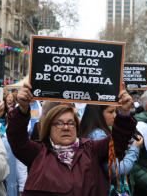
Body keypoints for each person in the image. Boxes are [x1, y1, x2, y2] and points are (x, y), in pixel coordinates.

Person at [7, 83, 137, 195]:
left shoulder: (91, 149)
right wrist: (22, 109)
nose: (65, 127)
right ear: (48, 128)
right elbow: (18, 140)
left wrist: (124, 114)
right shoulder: (38, 152)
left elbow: (118, 141)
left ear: (76, 127)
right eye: (58, 123)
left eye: (70, 123)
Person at [78, 104, 143, 194]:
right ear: (98, 115)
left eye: (115, 111)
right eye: (110, 112)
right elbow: (115, 172)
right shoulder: (99, 135)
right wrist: (135, 149)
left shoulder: (89, 131)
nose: (114, 115)